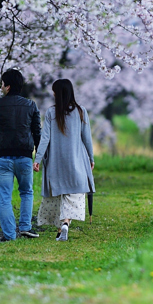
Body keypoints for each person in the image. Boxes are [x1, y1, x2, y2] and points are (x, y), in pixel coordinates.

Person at [0, 68, 41, 241]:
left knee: (5, 197)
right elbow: (37, 132)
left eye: (2, 84)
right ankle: (25, 227)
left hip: (3, 157)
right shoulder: (30, 105)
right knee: (26, 192)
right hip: (24, 156)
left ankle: (9, 235)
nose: (1, 87)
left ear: (7, 87)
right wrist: (38, 155)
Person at [34, 79, 95, 241]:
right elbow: (87, 138)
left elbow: (45, 137)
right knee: (73, 193)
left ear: (58, 93)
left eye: (54, 91)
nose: (53, 94)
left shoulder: (51, 112)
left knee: (59, 194)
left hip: (56, 161)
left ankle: (62, 228)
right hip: (77, 159)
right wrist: (91, 157)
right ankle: (66, 223)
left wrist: (38, 158)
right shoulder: (81, 111)